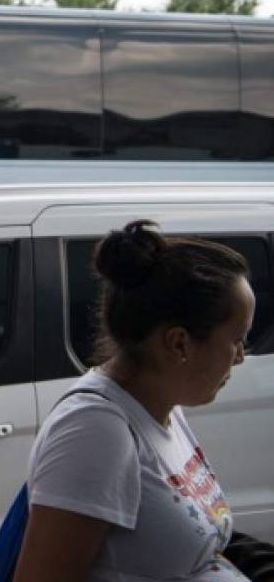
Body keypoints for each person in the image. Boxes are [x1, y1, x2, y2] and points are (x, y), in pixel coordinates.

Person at [14, 220, 256, 582]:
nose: (240, 356)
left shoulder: (160, 408)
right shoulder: (95, 431)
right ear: (179, 343)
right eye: (237, 339)